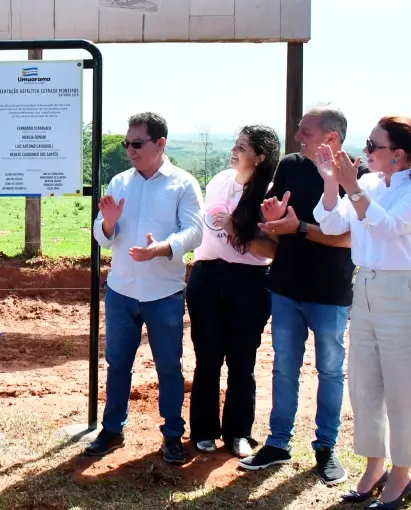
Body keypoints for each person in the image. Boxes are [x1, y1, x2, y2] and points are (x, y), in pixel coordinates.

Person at [238, 107, 367, 486]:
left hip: (330, 292)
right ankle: (278, 444)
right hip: (285, 286)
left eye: (305, 131)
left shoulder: (356, 175)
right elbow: (277, 222)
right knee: (284, 368)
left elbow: (350, 238)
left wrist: (299, 228)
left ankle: (326, 447)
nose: (297, 137)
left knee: (330, 371)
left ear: (332, 138)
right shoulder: (290, 165)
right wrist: (272, 218)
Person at [86, 112, 203, 464]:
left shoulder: (183, 184)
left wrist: (162, 248)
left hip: (164, 292)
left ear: (160, 143)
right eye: (127, 143)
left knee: (168, 366)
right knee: (118, 363)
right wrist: (107, 224)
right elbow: (102, 235)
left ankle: (172, 434)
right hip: (122, 290)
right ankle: (112, 429)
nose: (130, 150)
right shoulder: (120, 182)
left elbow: (195, 231)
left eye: (137, 143)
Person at [313, 116, 411, 508]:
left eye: (374, 145)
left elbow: (388, 226)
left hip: (401, 290)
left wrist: (352, 188)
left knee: (402, 388)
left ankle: (402, 472)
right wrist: (331, 183)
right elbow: (331, 223)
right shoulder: (367, 184)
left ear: (398, 154)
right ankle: (375, 465)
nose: (365, 151)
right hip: (365, 286)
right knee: (365, 383)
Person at [187, 125, 280, 459]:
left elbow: (273, 250)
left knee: (242, 360)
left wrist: (235, 228)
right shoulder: (220, 181)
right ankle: (203, 430)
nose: (234, 150)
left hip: (250, 282)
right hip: (207, 275)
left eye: (243, 147)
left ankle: (238, 432)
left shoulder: (270, 194)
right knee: (207, 357)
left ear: (261, 157)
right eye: (236, 144)